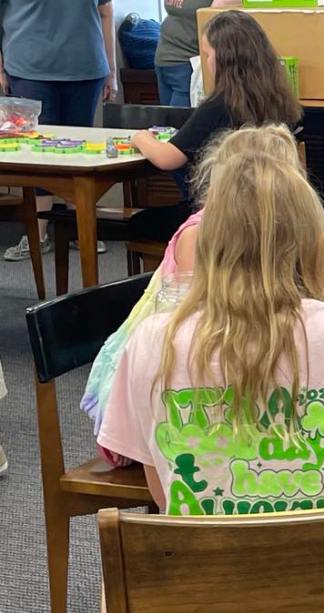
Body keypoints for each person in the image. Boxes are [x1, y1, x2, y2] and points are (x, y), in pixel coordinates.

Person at [98, 125, 324, 512]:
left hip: (204, 553)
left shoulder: (152, 340)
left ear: (207, 240)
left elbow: (163, 491)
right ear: (313, 238)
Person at [82, 124, 306, 463]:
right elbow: (195, 330)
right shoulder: (200, 235)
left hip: (219, 365)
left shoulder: (277, 229)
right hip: (159, 392)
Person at [128, 8, 301, 243]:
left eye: (208, 55)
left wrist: (141, 138)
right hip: (272, 211)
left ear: (224, 59)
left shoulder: (219, 105)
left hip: (223, 215)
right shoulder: (278, 99)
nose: (206, 62)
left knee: (139, 224)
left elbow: (167, 158)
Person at [0, 0, 117, 262]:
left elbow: (106, 12)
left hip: (85, 68)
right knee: (38, 152)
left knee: (80, 152)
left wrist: (111, 71)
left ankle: (80, 229)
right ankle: (37, 234)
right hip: (29, 69)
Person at [156, 0, 240, 107]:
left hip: (186, 64)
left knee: (180, 116)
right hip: (163, 61)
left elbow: (216, 23)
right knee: (165, 115)